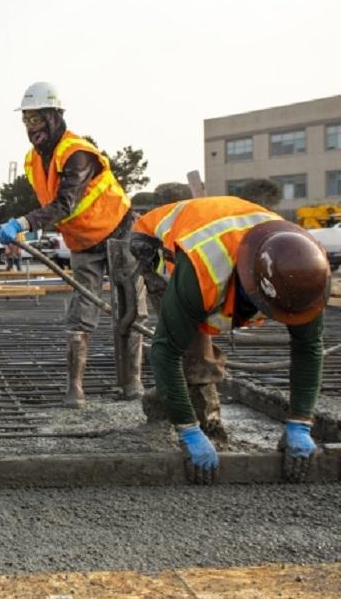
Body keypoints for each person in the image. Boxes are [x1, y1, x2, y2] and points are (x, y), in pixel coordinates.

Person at [130, 196, 330, 484]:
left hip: (223, 241)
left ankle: (169, 406)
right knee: (192, 351)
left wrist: (301, 423)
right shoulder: (205, 270)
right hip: (156, 244)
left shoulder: (305, 270)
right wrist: (189, 431)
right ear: (250, 282)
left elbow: (309, 347)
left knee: (196, 350)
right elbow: (164, 351)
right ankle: (196, 425)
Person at [0, 82, 142, 407]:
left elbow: (66, 202)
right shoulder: (33, 161)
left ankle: (133, 384)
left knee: (130, 307)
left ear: (54, 116)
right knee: (80, 312)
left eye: (37, 120)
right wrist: (21, 220)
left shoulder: (77, 153)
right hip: (83, 241)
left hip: (120, 232)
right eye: (27, 121)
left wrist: (23, 222)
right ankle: (75, 389)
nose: (32, 129)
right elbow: (52, 203)